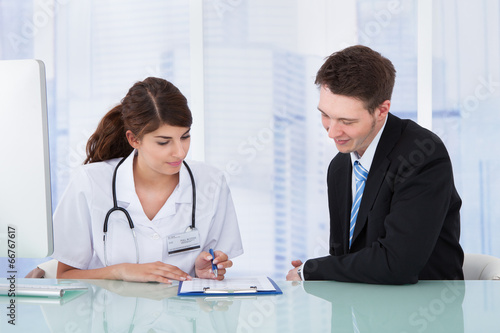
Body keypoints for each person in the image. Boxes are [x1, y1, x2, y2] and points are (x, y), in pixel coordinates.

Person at [286, 45, 464, 284]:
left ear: (382, 110)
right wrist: (317, 272)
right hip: (362, 311)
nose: (332, 132)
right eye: (326, 115)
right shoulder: (340, 166)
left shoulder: (423, 156)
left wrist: (311, 270)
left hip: (420, 313)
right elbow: (345, 258)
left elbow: (396, 264)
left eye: (346, 121)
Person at [52, 77, 243, 283]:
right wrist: (121, 271)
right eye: (164, 142)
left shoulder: (211, 182)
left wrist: (203, 271)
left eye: (185, 137)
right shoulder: (90, 182)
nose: (180, 152)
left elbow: (210, 274)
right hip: (112, 313)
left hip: (184, 314)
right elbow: (64, 276)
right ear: (134, 139)